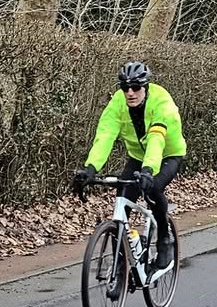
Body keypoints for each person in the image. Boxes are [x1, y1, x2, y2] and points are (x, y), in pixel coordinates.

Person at [69, 62, 185, 268]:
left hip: (167, 154)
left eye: (136, 87)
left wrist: (148, 170)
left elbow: (156, 139)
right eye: (125, 88)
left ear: (146, 87)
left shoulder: (161, 102)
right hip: (138, 156)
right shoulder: (118, 103)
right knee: (123, 197)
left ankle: (164, 238)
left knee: (154, 188)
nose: (130, 93)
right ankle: (121, 264)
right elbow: (105, 136)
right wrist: (90, 168)